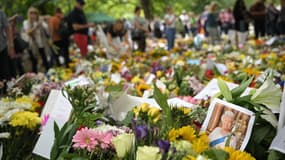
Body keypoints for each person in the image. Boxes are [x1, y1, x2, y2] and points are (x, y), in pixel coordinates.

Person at [23, 7, 50, 73]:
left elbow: (47, 29)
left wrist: (45, 20)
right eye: (31, 13)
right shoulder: (26, 22)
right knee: (34, 63)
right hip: (32, 46)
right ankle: (35, 78)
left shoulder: (39, 21)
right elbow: (28, 32)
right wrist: (36, 26)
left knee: (45, 60)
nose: (33, 15)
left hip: (42, 44)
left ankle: (49, 75)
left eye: (35, 13)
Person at [0, 9, 15, 82]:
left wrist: (11, 46)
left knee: (6, 74)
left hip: (2, 48)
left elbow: (7, 29)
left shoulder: (0, 13)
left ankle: (9, 91)